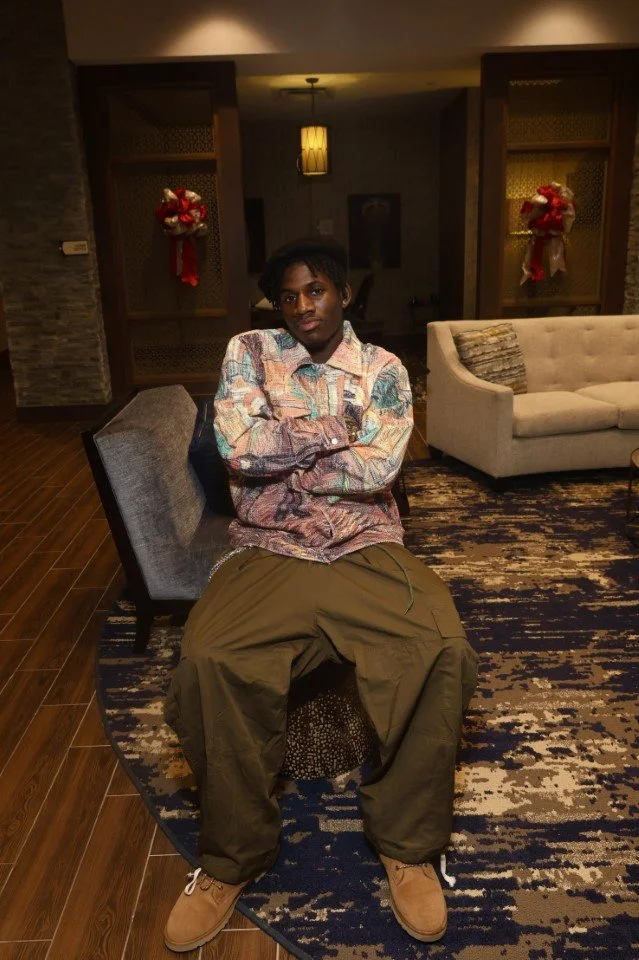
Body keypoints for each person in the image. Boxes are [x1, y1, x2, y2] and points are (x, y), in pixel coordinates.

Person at [163, 237, 478, 953]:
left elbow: (378, 469)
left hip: (367, 542)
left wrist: (285, 450)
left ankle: (407, 845)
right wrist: (337, 428)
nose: (304, 306)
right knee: (209, 659)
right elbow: (236, 450)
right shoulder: (248, 351)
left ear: (344, 294)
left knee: (439, 649)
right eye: (290, 295)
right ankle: (230, 859)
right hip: (269, 545)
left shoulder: (384, 368)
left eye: (318, 291)